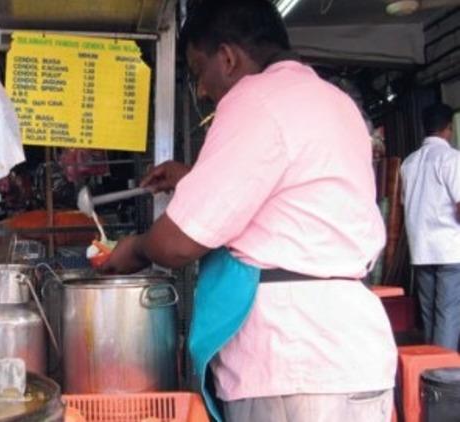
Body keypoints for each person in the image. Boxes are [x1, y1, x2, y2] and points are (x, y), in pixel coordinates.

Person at [101, 1, 397, 421]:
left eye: (198, 70)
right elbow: (290, 193)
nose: (201, 89)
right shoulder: (334, 101)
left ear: (227, 57)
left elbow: (177, 244)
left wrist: (134, 248)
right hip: (353, 354)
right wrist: (193, 177)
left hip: (291, 364)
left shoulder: (254, 98)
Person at [401, 103, 460, 351]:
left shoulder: (409, 163)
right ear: (449, 129)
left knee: (428, 315)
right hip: (449, 249)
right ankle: (443, 376)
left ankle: (428, 371)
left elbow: (407, 203)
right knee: (447, 314)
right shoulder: (451, 158)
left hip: (421, 250)